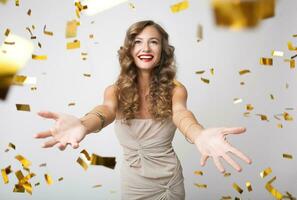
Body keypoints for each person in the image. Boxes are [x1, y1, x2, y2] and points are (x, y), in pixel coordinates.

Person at [35, 20, 252, 199]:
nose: (146, 48)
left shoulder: (176, 90)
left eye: (153, 42)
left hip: (169, 182)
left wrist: (199, 134)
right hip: (134, 184)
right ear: (129, 50)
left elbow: (181, 115)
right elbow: (105, 111)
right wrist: (83, 124)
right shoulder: (115, 91)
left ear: (163, 51)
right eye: (138, 42)